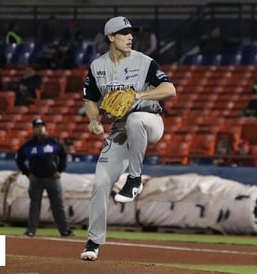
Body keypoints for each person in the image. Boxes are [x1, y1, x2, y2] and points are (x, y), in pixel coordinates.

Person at [79, 16, 176, 261]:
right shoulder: (97, 66)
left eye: (131, 32)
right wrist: (93, 120)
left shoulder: (145, 62)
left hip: (149, 120)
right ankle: (93, 242)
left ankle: (134, 179)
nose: (130, 36)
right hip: (119, 129)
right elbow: (90, 98)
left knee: (135, 121)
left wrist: (138, 95)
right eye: (124, 33)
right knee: (100, 183)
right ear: (111, 37)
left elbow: (170, 90)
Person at [15, 118, 74, 238]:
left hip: (52, 178)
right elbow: (19, 160)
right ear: (33, 129)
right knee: (34, 205)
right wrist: (27, 173)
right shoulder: (28, 145)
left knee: (58, 204)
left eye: (42, 126)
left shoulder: (53, 141)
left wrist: (60, 170)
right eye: (37, 126)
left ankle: (65, 230)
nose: (40, 128)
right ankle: (31, 231)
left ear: (45, 128)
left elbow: (63, 155)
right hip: (36, 179)